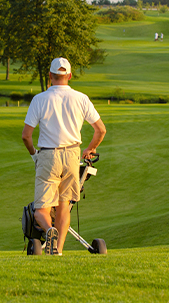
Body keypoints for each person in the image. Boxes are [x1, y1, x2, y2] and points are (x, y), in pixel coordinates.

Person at [21, 57, 106, 255]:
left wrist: (34, 155)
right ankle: (57, 250)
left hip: (48, 155)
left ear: (50, 76)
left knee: (41, 209)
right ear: (69, 75)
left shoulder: (39, 99)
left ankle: (49, 230)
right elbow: (100, 130)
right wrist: (90, 149)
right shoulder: (81, 98)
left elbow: (26, 136)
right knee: (64, 205)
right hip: (72, 155)